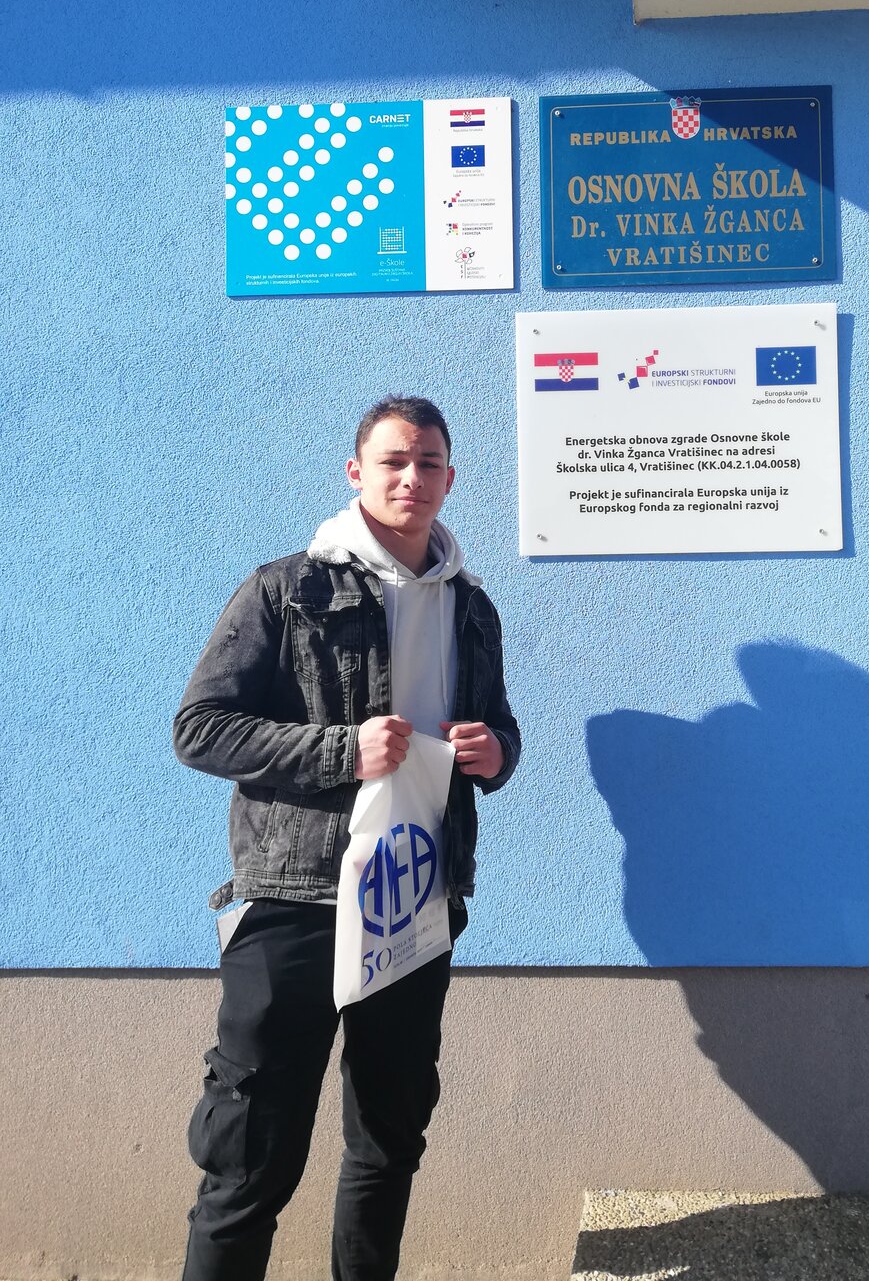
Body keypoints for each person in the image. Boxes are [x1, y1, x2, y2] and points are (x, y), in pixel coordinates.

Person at [174, 395, 520, 1281]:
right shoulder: (286, 589)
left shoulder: (472, 608)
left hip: (416, 899)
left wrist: (496, 753)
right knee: (252, 1154)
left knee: (388, 1141)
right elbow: (201, 729)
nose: (412, 478)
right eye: (394, 461)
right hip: (295, 902)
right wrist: (340, 750)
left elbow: (500, 730)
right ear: (356, 472)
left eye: (429, 463)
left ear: (450, 478)